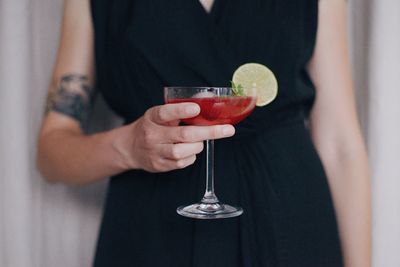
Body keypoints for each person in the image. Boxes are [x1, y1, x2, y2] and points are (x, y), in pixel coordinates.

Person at [37, 0, 371, 266]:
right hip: (152, 227)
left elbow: (341, 144)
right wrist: (127, 147)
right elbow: (50, 155)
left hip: (286, 218)